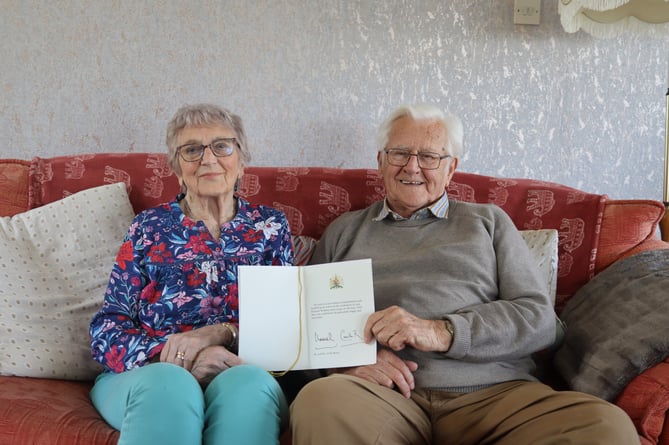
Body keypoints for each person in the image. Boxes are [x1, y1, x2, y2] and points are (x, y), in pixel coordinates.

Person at [289, 103, 638, 444]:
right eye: (399, 153)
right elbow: (308, 325)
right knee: (320, 401)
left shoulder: (488, 222)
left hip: (495, 396)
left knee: (605, 426)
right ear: (380, 161)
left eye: (429, 157)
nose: (412, 167)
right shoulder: (344, 231)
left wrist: (442, 332)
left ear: (451, 168)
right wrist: (347, 365)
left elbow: (538, 319)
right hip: (383, 397)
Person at [89, 103, 293, 445]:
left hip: (241, 368)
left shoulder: (270, 227)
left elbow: (286, 325)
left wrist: (221, 335)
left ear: (242, 161)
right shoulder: (148, 229)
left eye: (222, 146)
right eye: (192, 150)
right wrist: (180, 355)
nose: (208, 159)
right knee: (169, 385)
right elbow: (108, 327)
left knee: (247, 387)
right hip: (151, 373)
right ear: (177, 169)